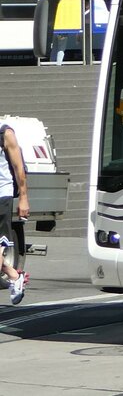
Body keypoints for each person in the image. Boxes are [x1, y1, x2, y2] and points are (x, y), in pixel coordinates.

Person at [0, 123, 29, 304]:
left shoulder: (5, 133)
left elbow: (19, 169)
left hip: (1, 197)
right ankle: (13, 275)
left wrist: (24, 198)